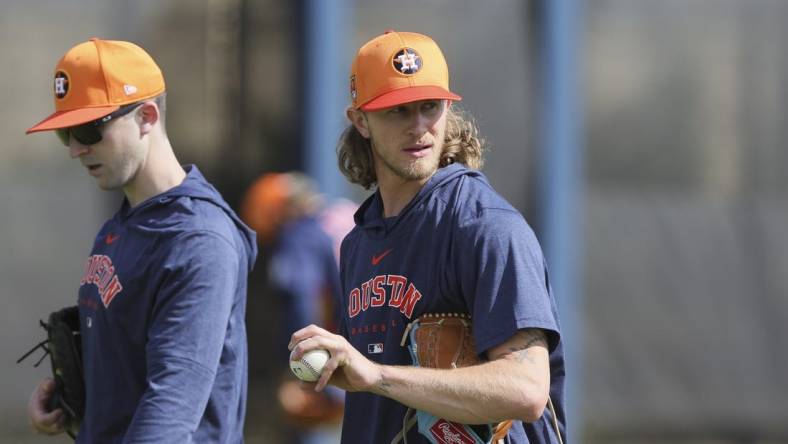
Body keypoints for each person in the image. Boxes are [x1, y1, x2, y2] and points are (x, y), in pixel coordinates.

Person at [289, 30, 566, 443]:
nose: (418, 127)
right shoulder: (359, 242)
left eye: (429, 107)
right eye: (397, 111)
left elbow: (526, 390)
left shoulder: (485, 226)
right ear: (361, 120)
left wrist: (377, 375)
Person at [24, 38, 257, 443]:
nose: (76, 149)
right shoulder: (122, 224)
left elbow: (170, 411)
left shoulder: (198, 240)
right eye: (66, 135)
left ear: (146, 116)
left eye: (88, 129)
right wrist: (72, 404)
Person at [240, 173, 353, 444]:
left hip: (344, 356)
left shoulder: (298, 234)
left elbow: (300, 299)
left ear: (280, 214)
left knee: (293, 402)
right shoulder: (348, 214)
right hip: (388, 339)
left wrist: (301, 367)